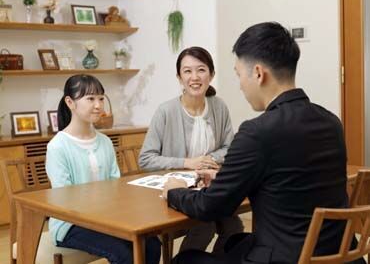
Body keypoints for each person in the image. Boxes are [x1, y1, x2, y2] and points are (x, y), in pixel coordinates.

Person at [163, 22, 366, 264]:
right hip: (336, 255)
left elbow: (210, 207)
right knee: (234, 242)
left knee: (184, 260)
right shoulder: (331, 122)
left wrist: (175, 191)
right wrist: (227, 179)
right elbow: (290, 180)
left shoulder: (257, 132)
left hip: (288, 258)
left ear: (258, 73)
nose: (240, 85)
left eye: (239, 75)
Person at [46, 74, 161, 264]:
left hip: (107, 219)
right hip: (70, 225)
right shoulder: (57, 146)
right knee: (124, 254)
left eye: (100, 98)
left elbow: (115, 187)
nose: (98, 105)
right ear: (70, 102)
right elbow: (63, 200)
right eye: (90, 98)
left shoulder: (105, 142)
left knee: (152, 244)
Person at [139, 46, 244, 254]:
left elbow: (230, 148)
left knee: (235, 228)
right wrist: (187, 163)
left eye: (201, 70)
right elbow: (146, 159)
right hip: (174, 191)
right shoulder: (166, 111)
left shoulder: (219, 106)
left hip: (209, 188)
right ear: (179, 77)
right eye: (187, 71)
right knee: (204, 224)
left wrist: (208, 159)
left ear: (211, 74)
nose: (194, 77)